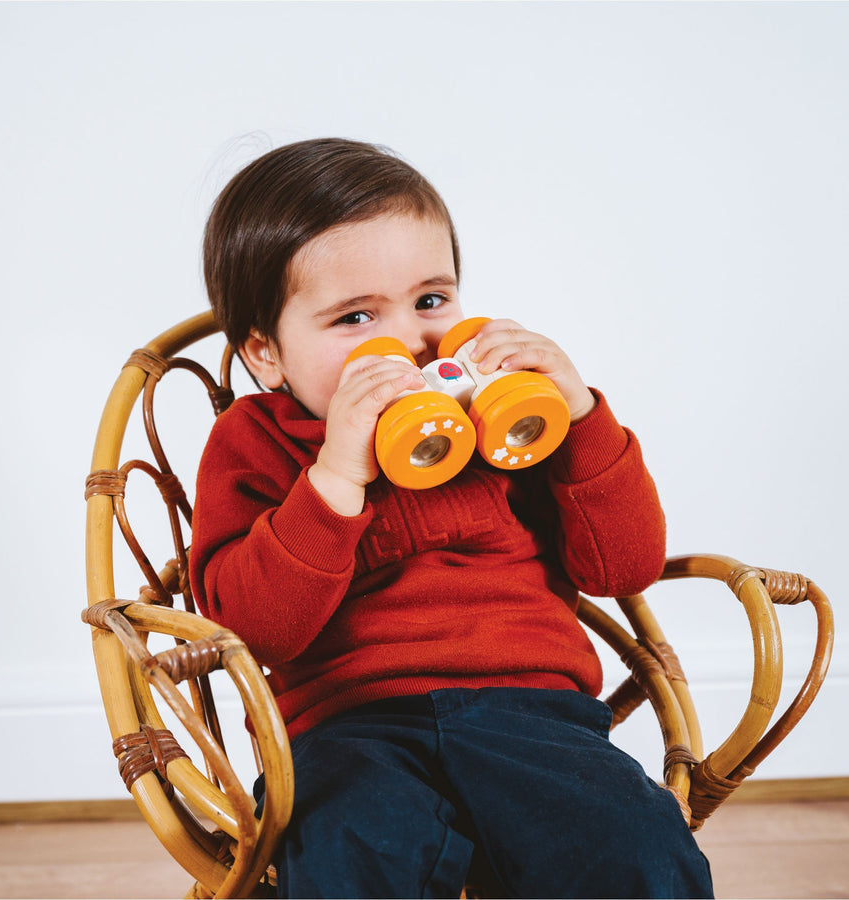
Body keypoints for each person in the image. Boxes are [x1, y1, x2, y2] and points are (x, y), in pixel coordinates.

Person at [190, 137, 713, 899]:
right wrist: (336, 473)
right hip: (347, 728)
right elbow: (255, 629)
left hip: (536, 712)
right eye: (356, 317)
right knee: (349, 849)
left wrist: (578, 415)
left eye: (431, 300)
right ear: (267, 355)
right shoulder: (254, 441)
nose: (410, 340)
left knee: (638, 848)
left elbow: (623, 567)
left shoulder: (504, 424)